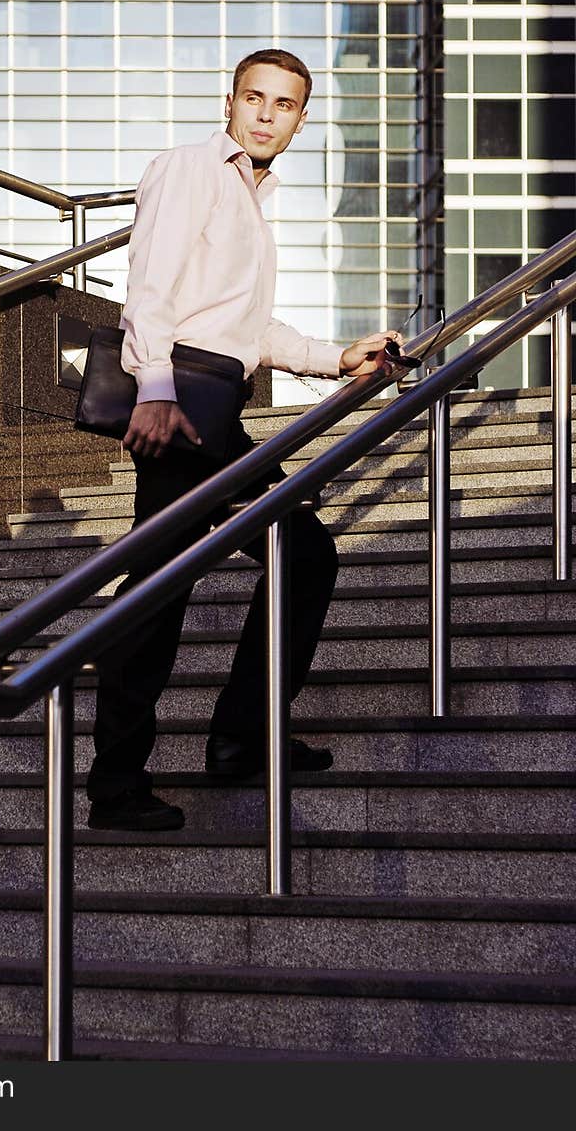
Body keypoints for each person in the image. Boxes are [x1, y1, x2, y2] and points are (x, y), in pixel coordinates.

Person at [86, 48, 400, 832]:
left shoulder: (252, 199)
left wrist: (335, 358)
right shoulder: (190, 167)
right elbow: (148, 289)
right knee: (165, 587)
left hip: (217, 400)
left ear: (300, 118)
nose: (266, 114)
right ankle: (123, 781)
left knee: (287, 555)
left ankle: (236, 738)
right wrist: (155, 391)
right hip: (180, 398)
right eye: (254, 98)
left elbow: (249, 328)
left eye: (284, 104)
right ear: (228, 103)